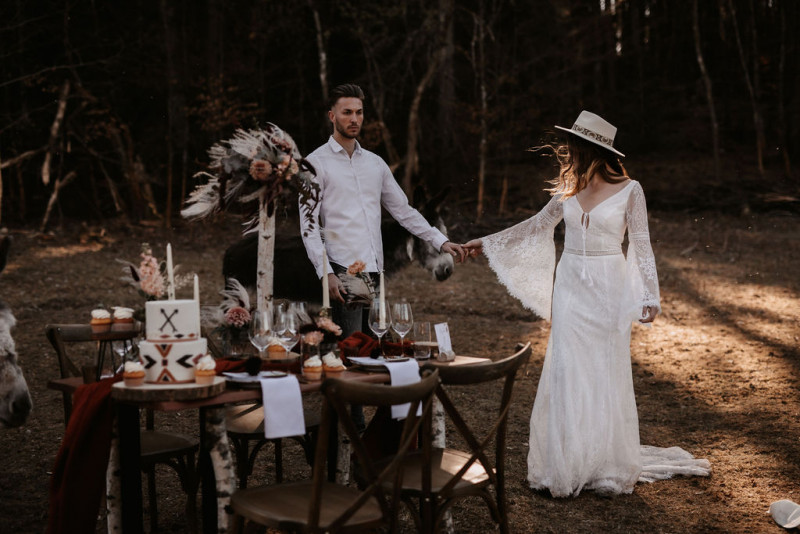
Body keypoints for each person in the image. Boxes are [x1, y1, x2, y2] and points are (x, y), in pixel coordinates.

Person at [462, 111, 709, 497]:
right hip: (571, 286)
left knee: (603, 369)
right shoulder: (568, 192)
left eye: (573, 148)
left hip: (609, 288)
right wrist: (487, 242)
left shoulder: (632, 190)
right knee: (567, 368)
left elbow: (641, 243)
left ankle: (605, 462)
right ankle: (565, 462)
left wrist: (649, 293)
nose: (567, 154)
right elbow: (534, 226)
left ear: (590, 150)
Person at [300, 84, 463, 429]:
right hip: (346, 271)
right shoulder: (315, 164)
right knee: (353, 357)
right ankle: (352, 435)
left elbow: (404, 212)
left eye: (359, 112)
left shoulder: (375, 164)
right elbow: (309, 226)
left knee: (378, 354)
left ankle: (377, 436)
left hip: (375, 272)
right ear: (332, 116)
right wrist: (326, 272)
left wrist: (440, 241)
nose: (354, 118)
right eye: (347, 112)